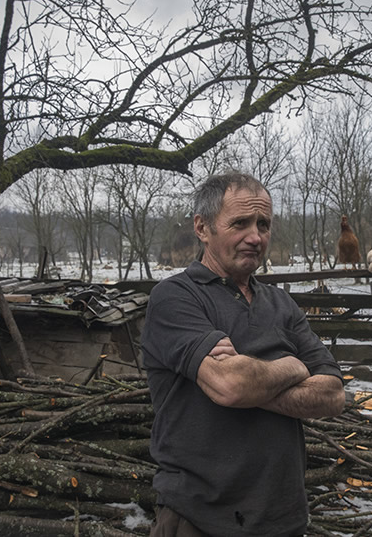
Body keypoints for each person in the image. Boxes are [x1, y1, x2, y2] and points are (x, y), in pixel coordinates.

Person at [142, 173, 345, 536]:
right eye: (240, 223)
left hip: (282, 517)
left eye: (263, 224)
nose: (256, 237)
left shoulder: (281, 303)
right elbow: (232, 385)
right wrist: (293, 365)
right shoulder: (175, 298)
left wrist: (252, 382)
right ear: (202, 228)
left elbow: (332, 394)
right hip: (199, 517)